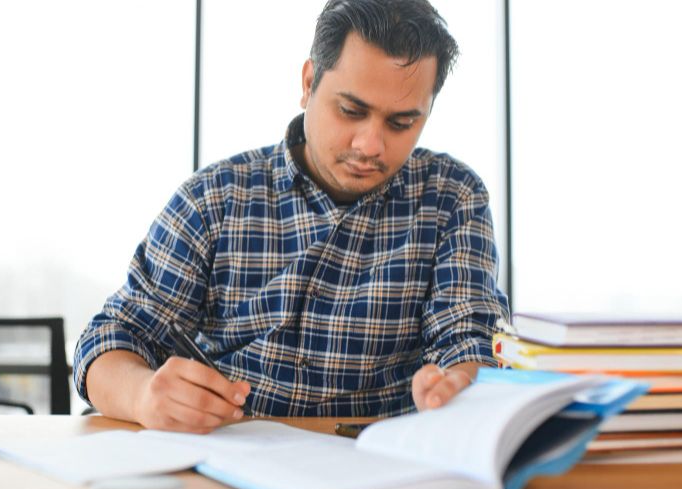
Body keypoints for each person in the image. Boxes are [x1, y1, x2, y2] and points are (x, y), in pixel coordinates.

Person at [74, 0, 510, 433]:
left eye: (401, 123)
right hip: (228, 453)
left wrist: (459, 386)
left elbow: (468, 337)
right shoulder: (215, 198)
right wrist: (143, 394)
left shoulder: (453, 197)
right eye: (351, 111)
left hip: (379, 464)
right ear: (308, 83)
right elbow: (112, 338)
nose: (371, 144)